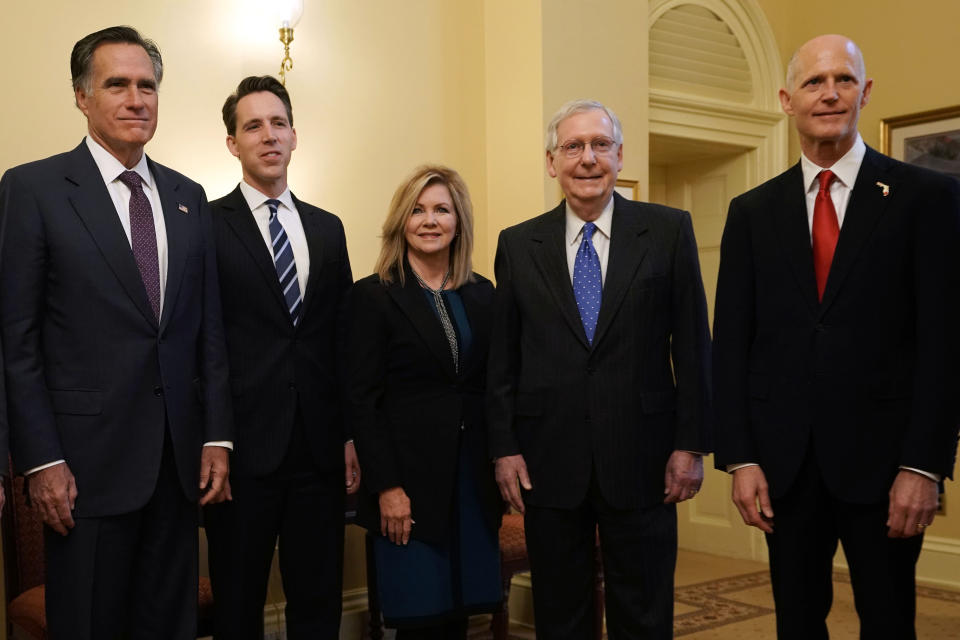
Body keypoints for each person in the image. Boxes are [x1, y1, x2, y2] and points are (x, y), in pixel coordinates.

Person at [713, 34, 960, 639]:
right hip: (784, 469)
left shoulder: (926, 198)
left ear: (865, 93)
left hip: (887, 468)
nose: (829, 94)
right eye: (814, 82)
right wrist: (740, 458)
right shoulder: (751, 212)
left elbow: (945, 344)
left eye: (843, 80)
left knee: (888, 619)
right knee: (797, 622)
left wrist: (924, 467)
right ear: (786, 100)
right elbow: (732, 346)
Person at [0, 26, 233, 639]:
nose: (137, 99)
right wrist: (41, 460)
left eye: (148, 86)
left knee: (168, 625)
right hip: (82, 471)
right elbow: (15, 340)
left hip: (178, 468)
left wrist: (217, 437)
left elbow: (206, 330)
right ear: (82, 96)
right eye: (118, 85)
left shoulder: (188, 196)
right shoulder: (34, 189)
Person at [487, 99, 712, 639]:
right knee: (561, 617)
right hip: (548, 462)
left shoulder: (667, 231)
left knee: (644, 612)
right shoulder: (519, 245)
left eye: (600, 145)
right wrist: (504, 447)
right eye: (573, 147)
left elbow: (695, 347)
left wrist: (692, 445)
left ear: (618, 155)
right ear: (551, 162)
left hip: (645, 459)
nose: (587, 158)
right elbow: (503, 360)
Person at [203, 75, 358, 639]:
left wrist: (346, 436)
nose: (268, 136)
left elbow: (342, 341)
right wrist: (212, 436)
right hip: (240, 453)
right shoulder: (205, 224)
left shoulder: (328, 227)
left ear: (294, 136)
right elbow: (205, 339)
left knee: (317, 604)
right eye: (252, 126)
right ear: (232, 143)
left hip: (317, 451)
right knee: (239, 605)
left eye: (278, 123)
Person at [347, 165, 502, 639]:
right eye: (417, 210)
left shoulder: (481, 293)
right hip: (408, 485)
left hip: (472, 483)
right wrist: (387, 488)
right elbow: (362, 401)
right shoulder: (373, 297)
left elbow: (493, 386)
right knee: (419, 619)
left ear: (459, 221)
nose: (429, 220)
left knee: (462, 616)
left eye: (441, 210)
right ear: (401, 221)